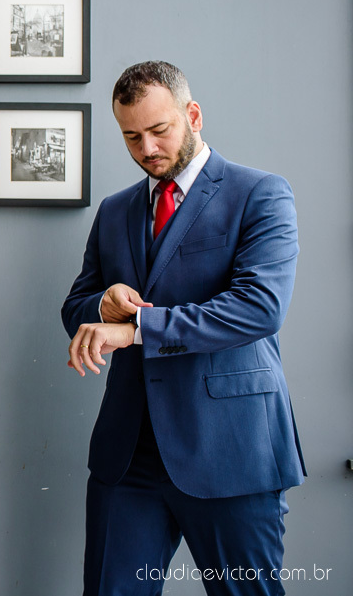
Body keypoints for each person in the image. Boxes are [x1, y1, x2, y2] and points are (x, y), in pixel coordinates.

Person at [61, 61, 304, 595]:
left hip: (231, 449)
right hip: (129, 456)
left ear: (192, 115)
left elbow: (259, 308)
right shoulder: (115, 211)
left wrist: (138, 328)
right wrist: (103, 304)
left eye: (159, 130)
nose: (146, 148)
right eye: (131, 136)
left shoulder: (261, 194)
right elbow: (75, 307)